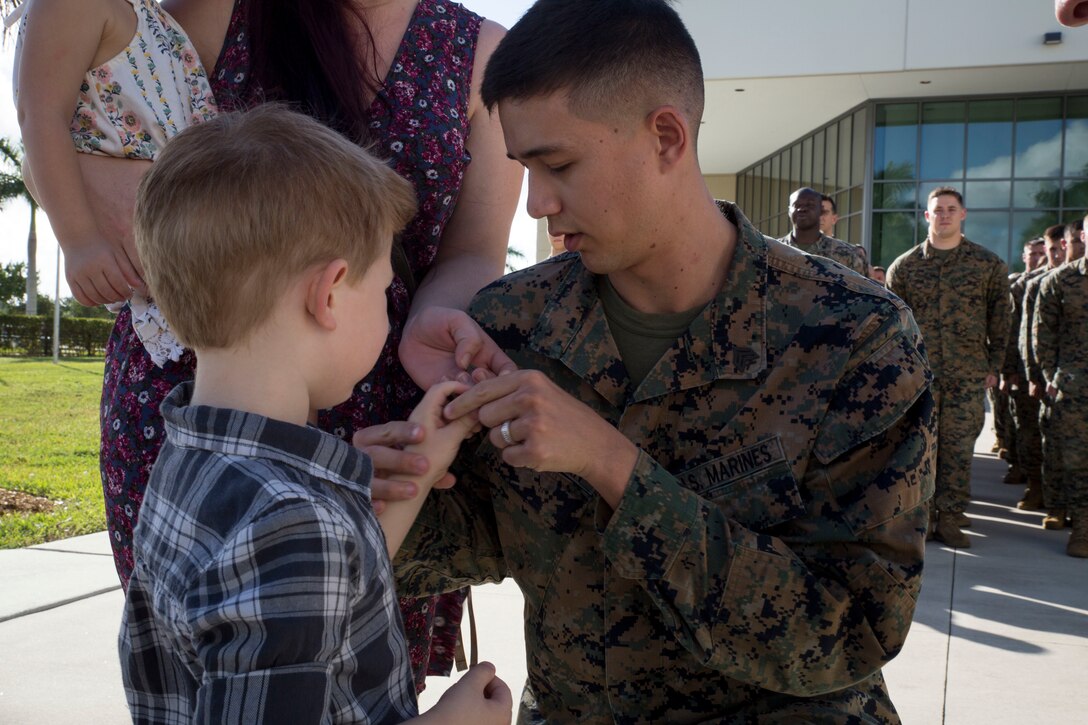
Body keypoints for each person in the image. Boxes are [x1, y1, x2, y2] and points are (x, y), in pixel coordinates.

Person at [388, 1, 936, 721]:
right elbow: (477, 537)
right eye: (524, 169)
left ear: (668, 137)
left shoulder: (854, 336)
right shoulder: (512, 324)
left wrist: (612, 463)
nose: (537, 205)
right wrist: (402, 480)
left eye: (559, 164)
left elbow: (849, 631)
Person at [38, 0, 520, 688]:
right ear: (334, 291)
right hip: (203, 385)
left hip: (292, 420)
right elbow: (68, 119)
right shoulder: (213, 10)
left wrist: (427, 328)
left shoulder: (480, 52)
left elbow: (474, 249)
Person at [118, 105, 512, 724]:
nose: (387, 311)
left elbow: (325, 594)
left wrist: (424, 459)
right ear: (328, 295)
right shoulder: (288, 521)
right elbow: (302, 560)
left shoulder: (190, 455)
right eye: (383, 290)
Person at [12, 0, 217, 356]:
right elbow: (40, 115)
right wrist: (80, 240)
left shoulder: (142, 11)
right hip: (155, 246)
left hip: (187, 241)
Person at [886, 187, 1008, 548]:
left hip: (967, 375)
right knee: (918, 450)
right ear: (927, 216)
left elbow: (1000, 320)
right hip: (919, 377)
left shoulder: (987, 265)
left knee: (957, 450)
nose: (944, 216)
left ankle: (951, 518)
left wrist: (995, 365)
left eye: (951, 210)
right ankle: (920, 518)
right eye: (937, 210)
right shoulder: (905, 267)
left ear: (963, 215)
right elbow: (893, 325)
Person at [1033, 214, 1088, 556]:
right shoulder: (1060, 281)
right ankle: (1082, 527)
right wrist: (1051, 376)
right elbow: (1043, 336)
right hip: (1075, 389)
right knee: (1077, 461)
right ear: (1083, 235)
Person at [1019, 224, 1071, 514]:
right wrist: (1029, 374)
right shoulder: (1041, 283)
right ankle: (1041, 491)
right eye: (1048, 250)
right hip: (1049, 375)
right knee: (1039, 436)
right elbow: (1028, 333)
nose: (1053, 254)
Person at [779, 187, 868, 275]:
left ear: (820, 211)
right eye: (796, 205)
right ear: (789, 211)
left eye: (810, 205)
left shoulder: (848, 255)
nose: (802, 209)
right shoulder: (772, 250)